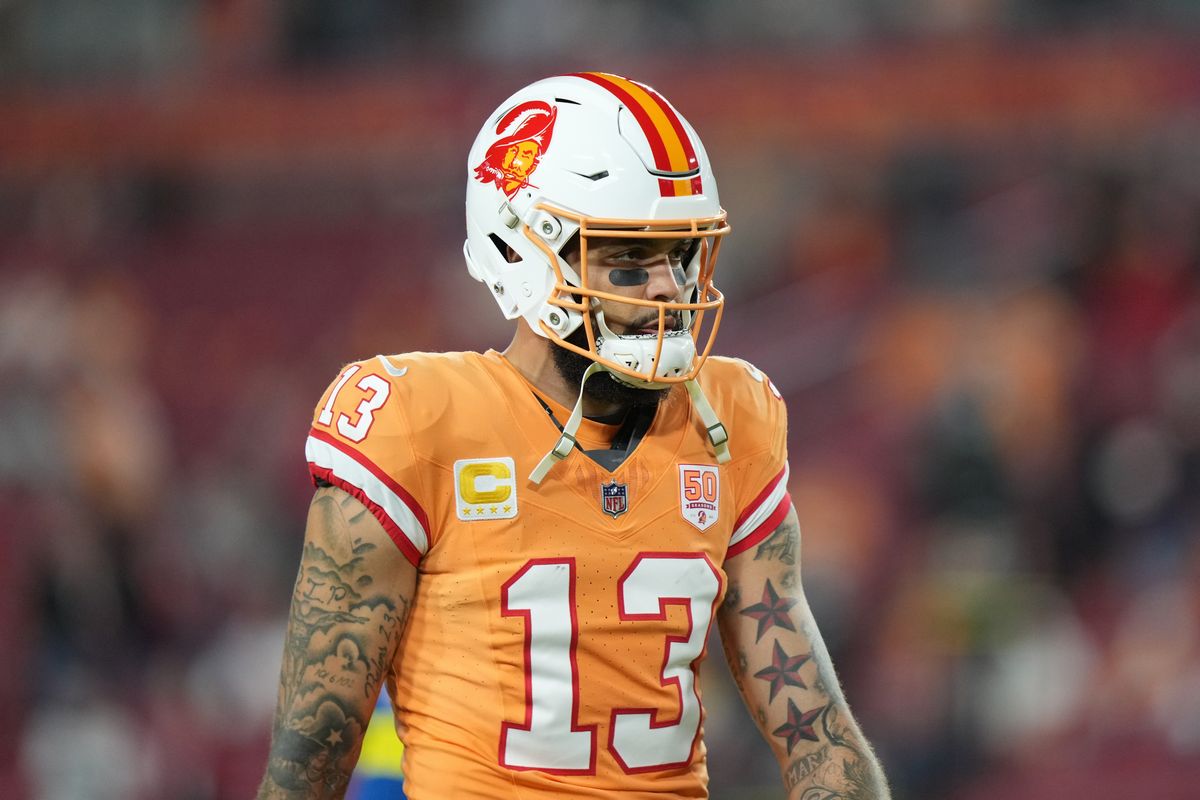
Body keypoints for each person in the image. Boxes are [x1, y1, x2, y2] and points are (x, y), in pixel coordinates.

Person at [257, 71, 890, 799]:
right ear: (521, 256)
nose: (667, 287)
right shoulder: (418, 421)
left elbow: (817, 735)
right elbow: (307, 761)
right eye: (628, 259)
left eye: (679, 255)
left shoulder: (731, 419)